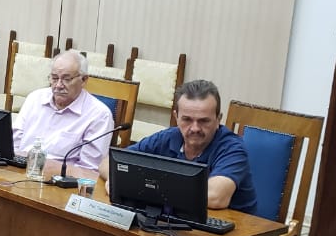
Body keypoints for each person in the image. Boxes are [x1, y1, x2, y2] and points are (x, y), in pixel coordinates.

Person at [100, 79, 257, 213]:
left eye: (204, 121)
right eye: (187, 119)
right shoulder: (168, 137)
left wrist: (142, 186)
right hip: (178, 223)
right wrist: (116, 179)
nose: (195, 128)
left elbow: (216, 197)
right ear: (176, 117)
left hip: (234, 233)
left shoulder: (232, 148)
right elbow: (107, 163)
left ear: (218, 119)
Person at [11, 50, 115, 178]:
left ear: (83, 80)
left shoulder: (99, 115)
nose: (59, 85)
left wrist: (54, 168)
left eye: (66, 79)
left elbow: (90, 171)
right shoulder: (35, 98)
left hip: (61, 181)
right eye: (54, 78)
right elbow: (13, 144)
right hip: (18, 171)